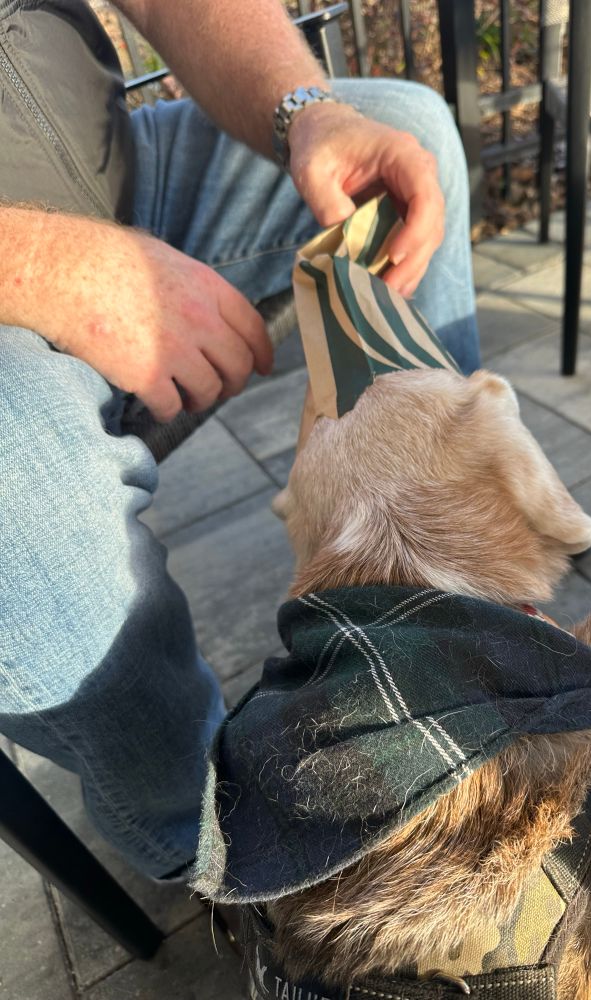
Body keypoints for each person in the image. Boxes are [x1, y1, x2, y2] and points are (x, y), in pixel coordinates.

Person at [0, 0, 480, 879]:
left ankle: (457, 635)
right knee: (21, 512)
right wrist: (42, 268)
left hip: (112, 172)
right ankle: (225, 850)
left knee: (407, 137)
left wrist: (306, 110)